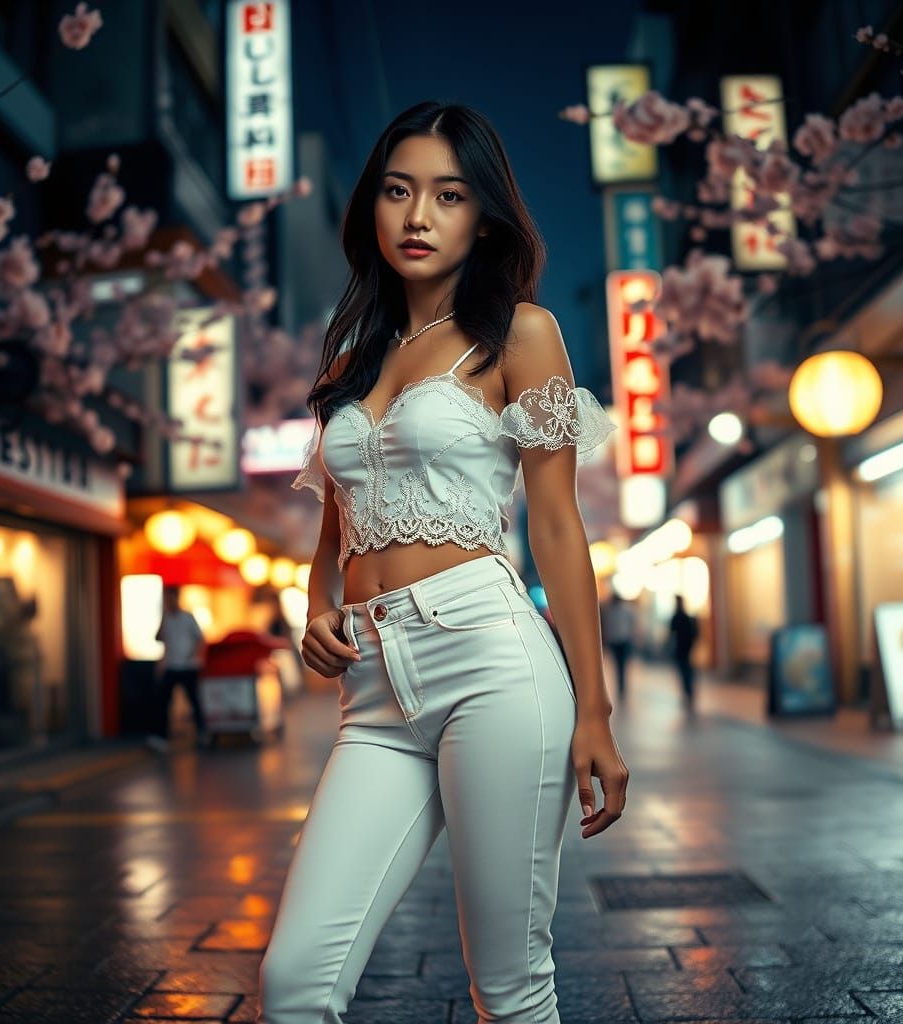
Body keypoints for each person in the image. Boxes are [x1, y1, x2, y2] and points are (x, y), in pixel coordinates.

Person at [257, 101, 630, 1024]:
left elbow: (556, 526)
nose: (418, 216)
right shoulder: (350, 360)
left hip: (491, 660)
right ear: (372, 209)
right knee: (294, 981)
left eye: (448, 195)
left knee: (508, 986)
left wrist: (595, 708)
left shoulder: (521, 334)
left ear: (484, 218)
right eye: (398, 191)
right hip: (373, 692)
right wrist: (315, 610)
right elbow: (334, 530)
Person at [147, 584, 209, 752]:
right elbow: (159, 638)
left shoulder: (188, 617)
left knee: (193, 700)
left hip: (188, 666)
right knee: (163, 701)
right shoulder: (166, 618)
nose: (167, 601)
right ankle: (161, 737)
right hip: (171, 666)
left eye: (169, 597)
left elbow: (200, 639)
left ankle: (202, 733)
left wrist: (193, 655)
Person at [600, 590, 635, 699]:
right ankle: (621, 685)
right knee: (619, 664)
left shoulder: (624, 609)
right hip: (616, 640)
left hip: (623, 640)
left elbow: (631, 623)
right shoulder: (611, 610)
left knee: (621, 664)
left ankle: (622, 685)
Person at [668, 594, 698, 711]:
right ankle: (688, 692)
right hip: (683, 648)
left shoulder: (681, 617)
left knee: (685, 671)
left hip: (683, 648)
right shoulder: (683, 617)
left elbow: (672, 633)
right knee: (685, 671)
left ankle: (688, 692)